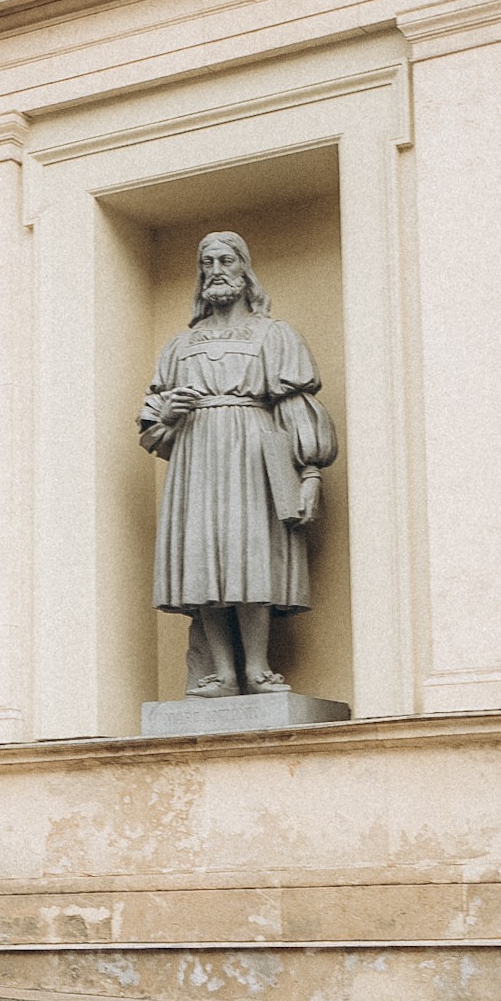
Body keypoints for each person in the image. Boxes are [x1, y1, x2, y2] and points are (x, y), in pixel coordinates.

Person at [140, 231, 338, 697]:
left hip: (253, 456)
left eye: (225, 260)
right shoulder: (178, 346)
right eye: (206, 261)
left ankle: (257, 668)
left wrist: (310, 474)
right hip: (195, 458)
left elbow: (297, 407)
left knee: (252, 553)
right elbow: (152, 426)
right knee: (202, 557)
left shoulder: (275, 335)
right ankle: (223, 674)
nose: (215, 269)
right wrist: (168, 414)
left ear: (244, 268)